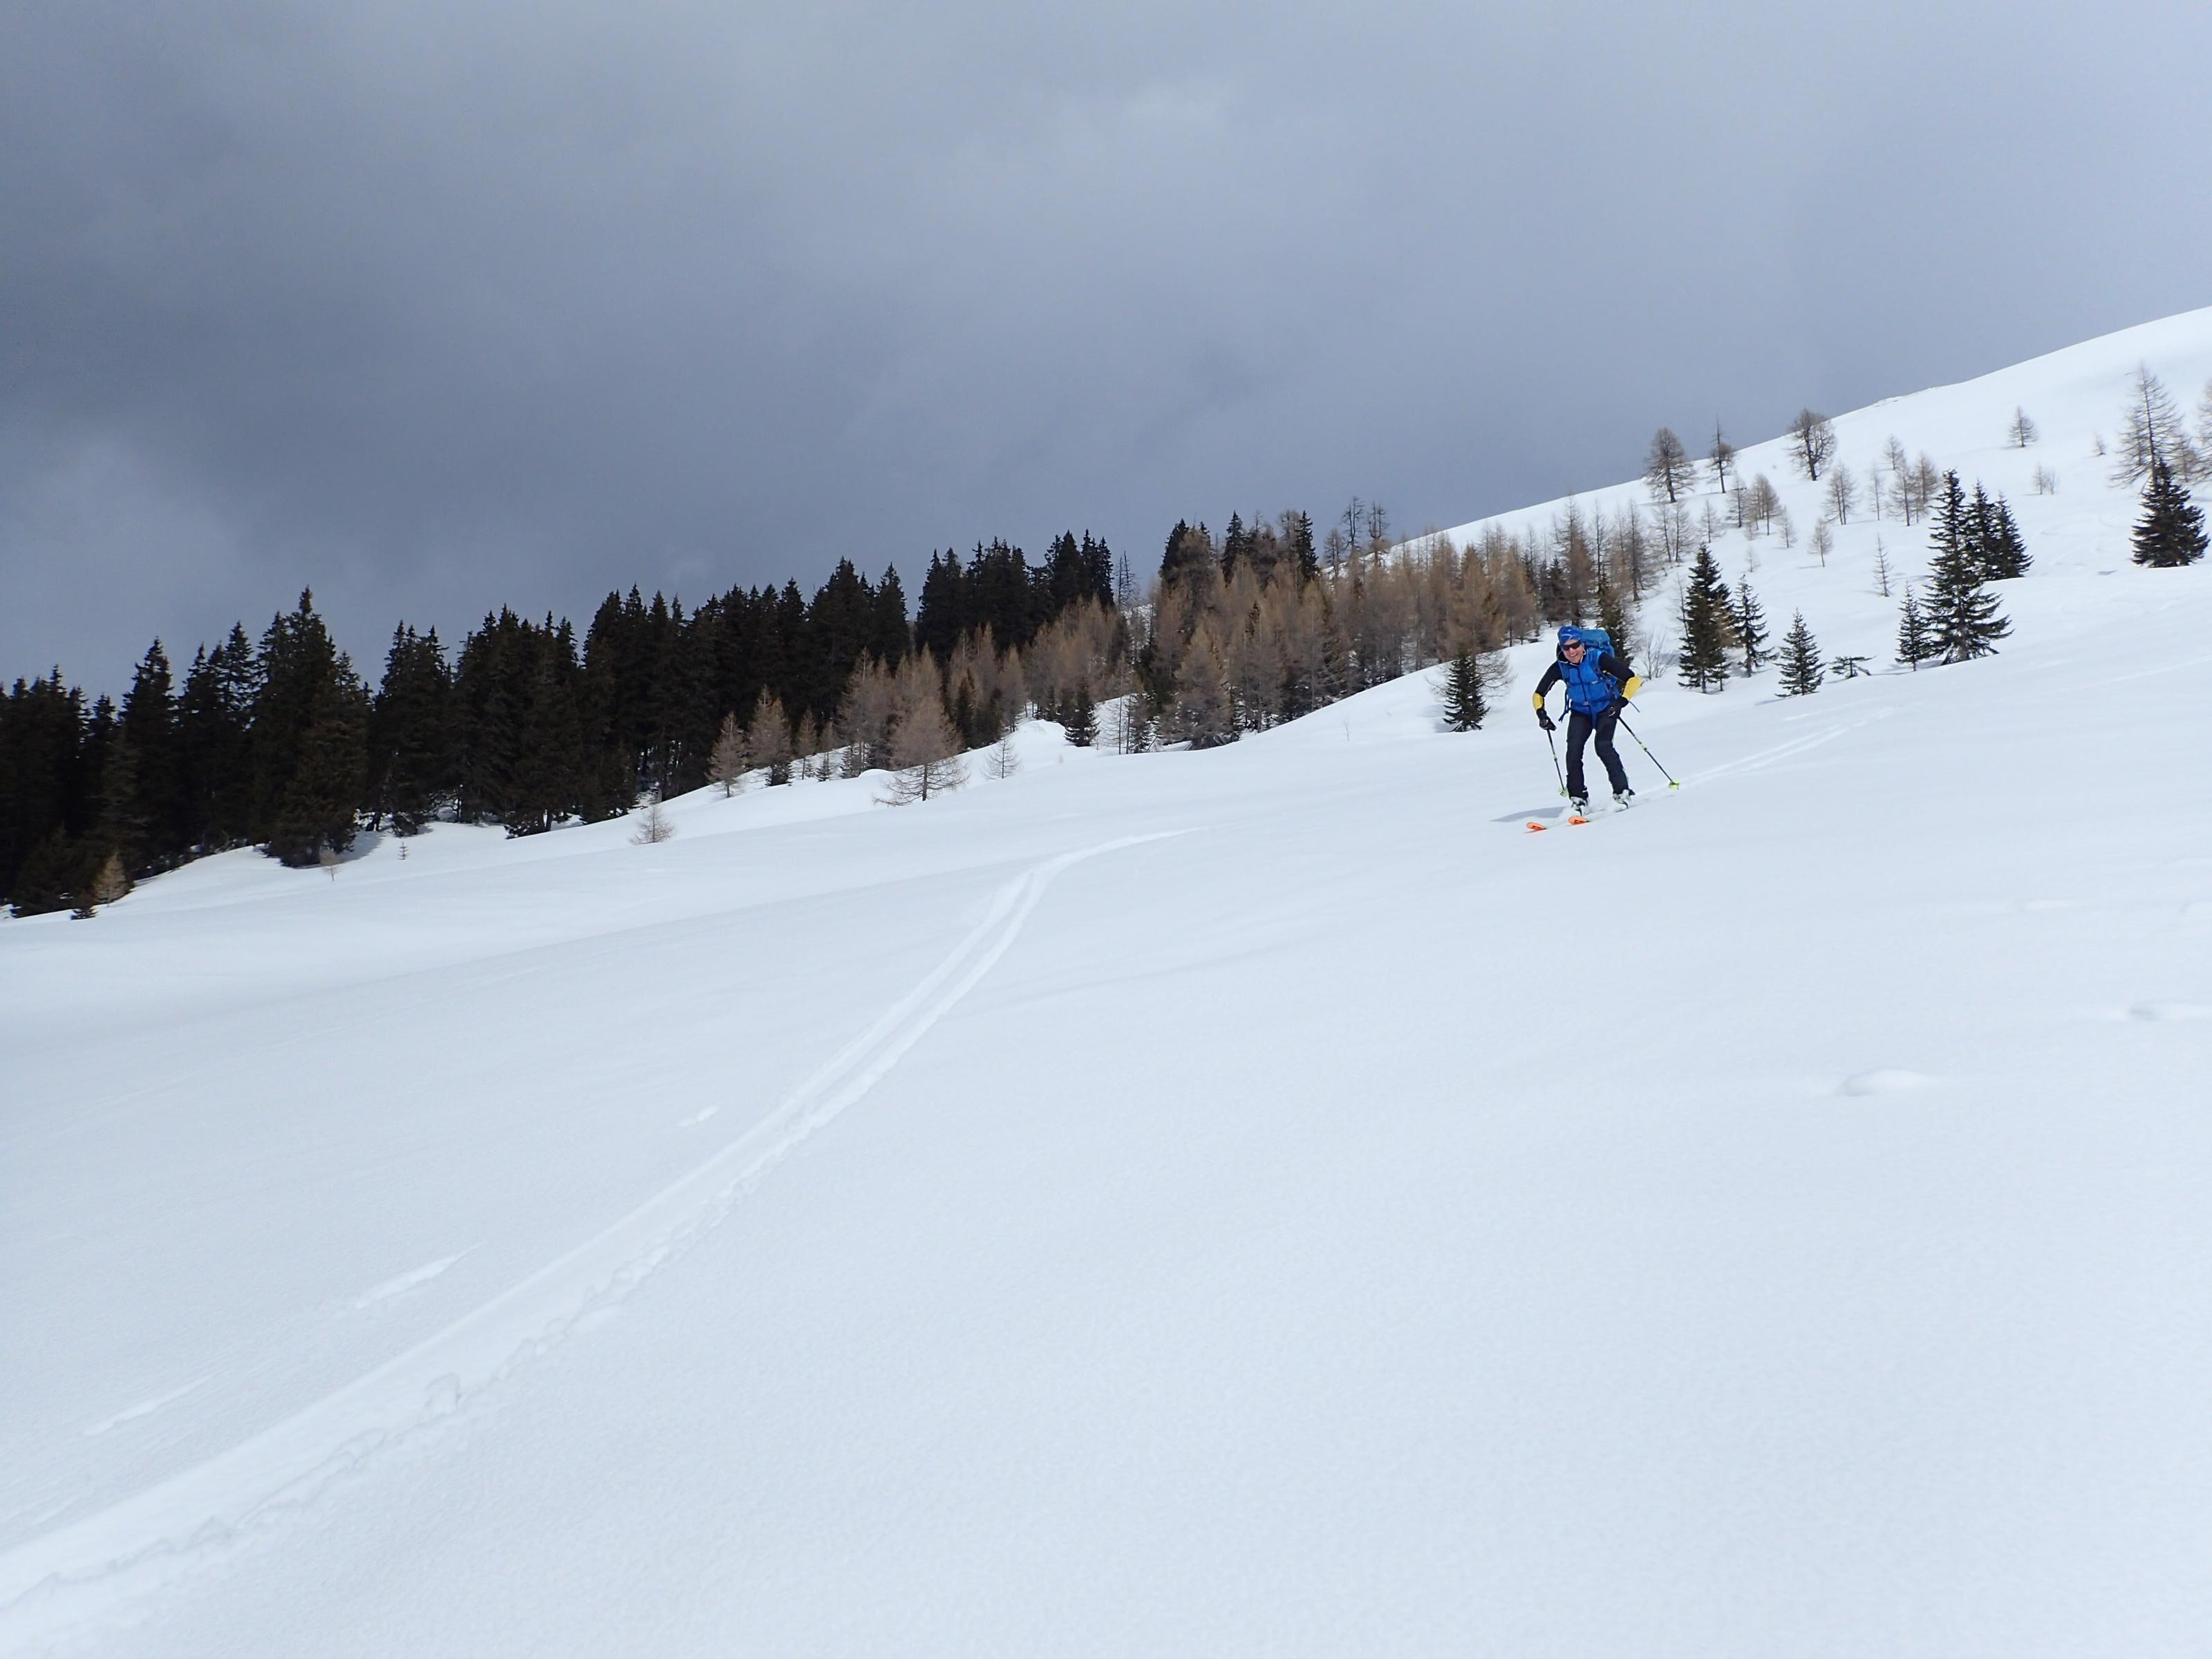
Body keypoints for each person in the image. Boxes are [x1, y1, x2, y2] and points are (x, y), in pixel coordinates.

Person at [1532, 625, 1643, 812]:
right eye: (1566, 647)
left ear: (1582, 644)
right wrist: (1541, 714)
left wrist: (1621, 702)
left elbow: (1633, 679)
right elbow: (1538, 693)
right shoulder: (1560, 666)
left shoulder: (1598, 658)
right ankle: (1579, 799)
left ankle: (1622, 792)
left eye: (1575, 645)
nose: (1572, 651)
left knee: (1603, 746)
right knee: (1573, 751)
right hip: (1580, 712)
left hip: (1606, 708)